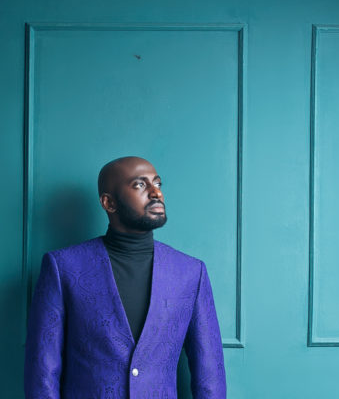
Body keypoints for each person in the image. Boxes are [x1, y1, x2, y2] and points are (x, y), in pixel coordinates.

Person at [24, 156, 227, 398]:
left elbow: (210, 376)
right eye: (140, 185)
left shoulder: (191, 272)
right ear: (109, 203)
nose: (156, 193)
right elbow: (42, 374)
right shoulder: (62, 267)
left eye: (157, 183)